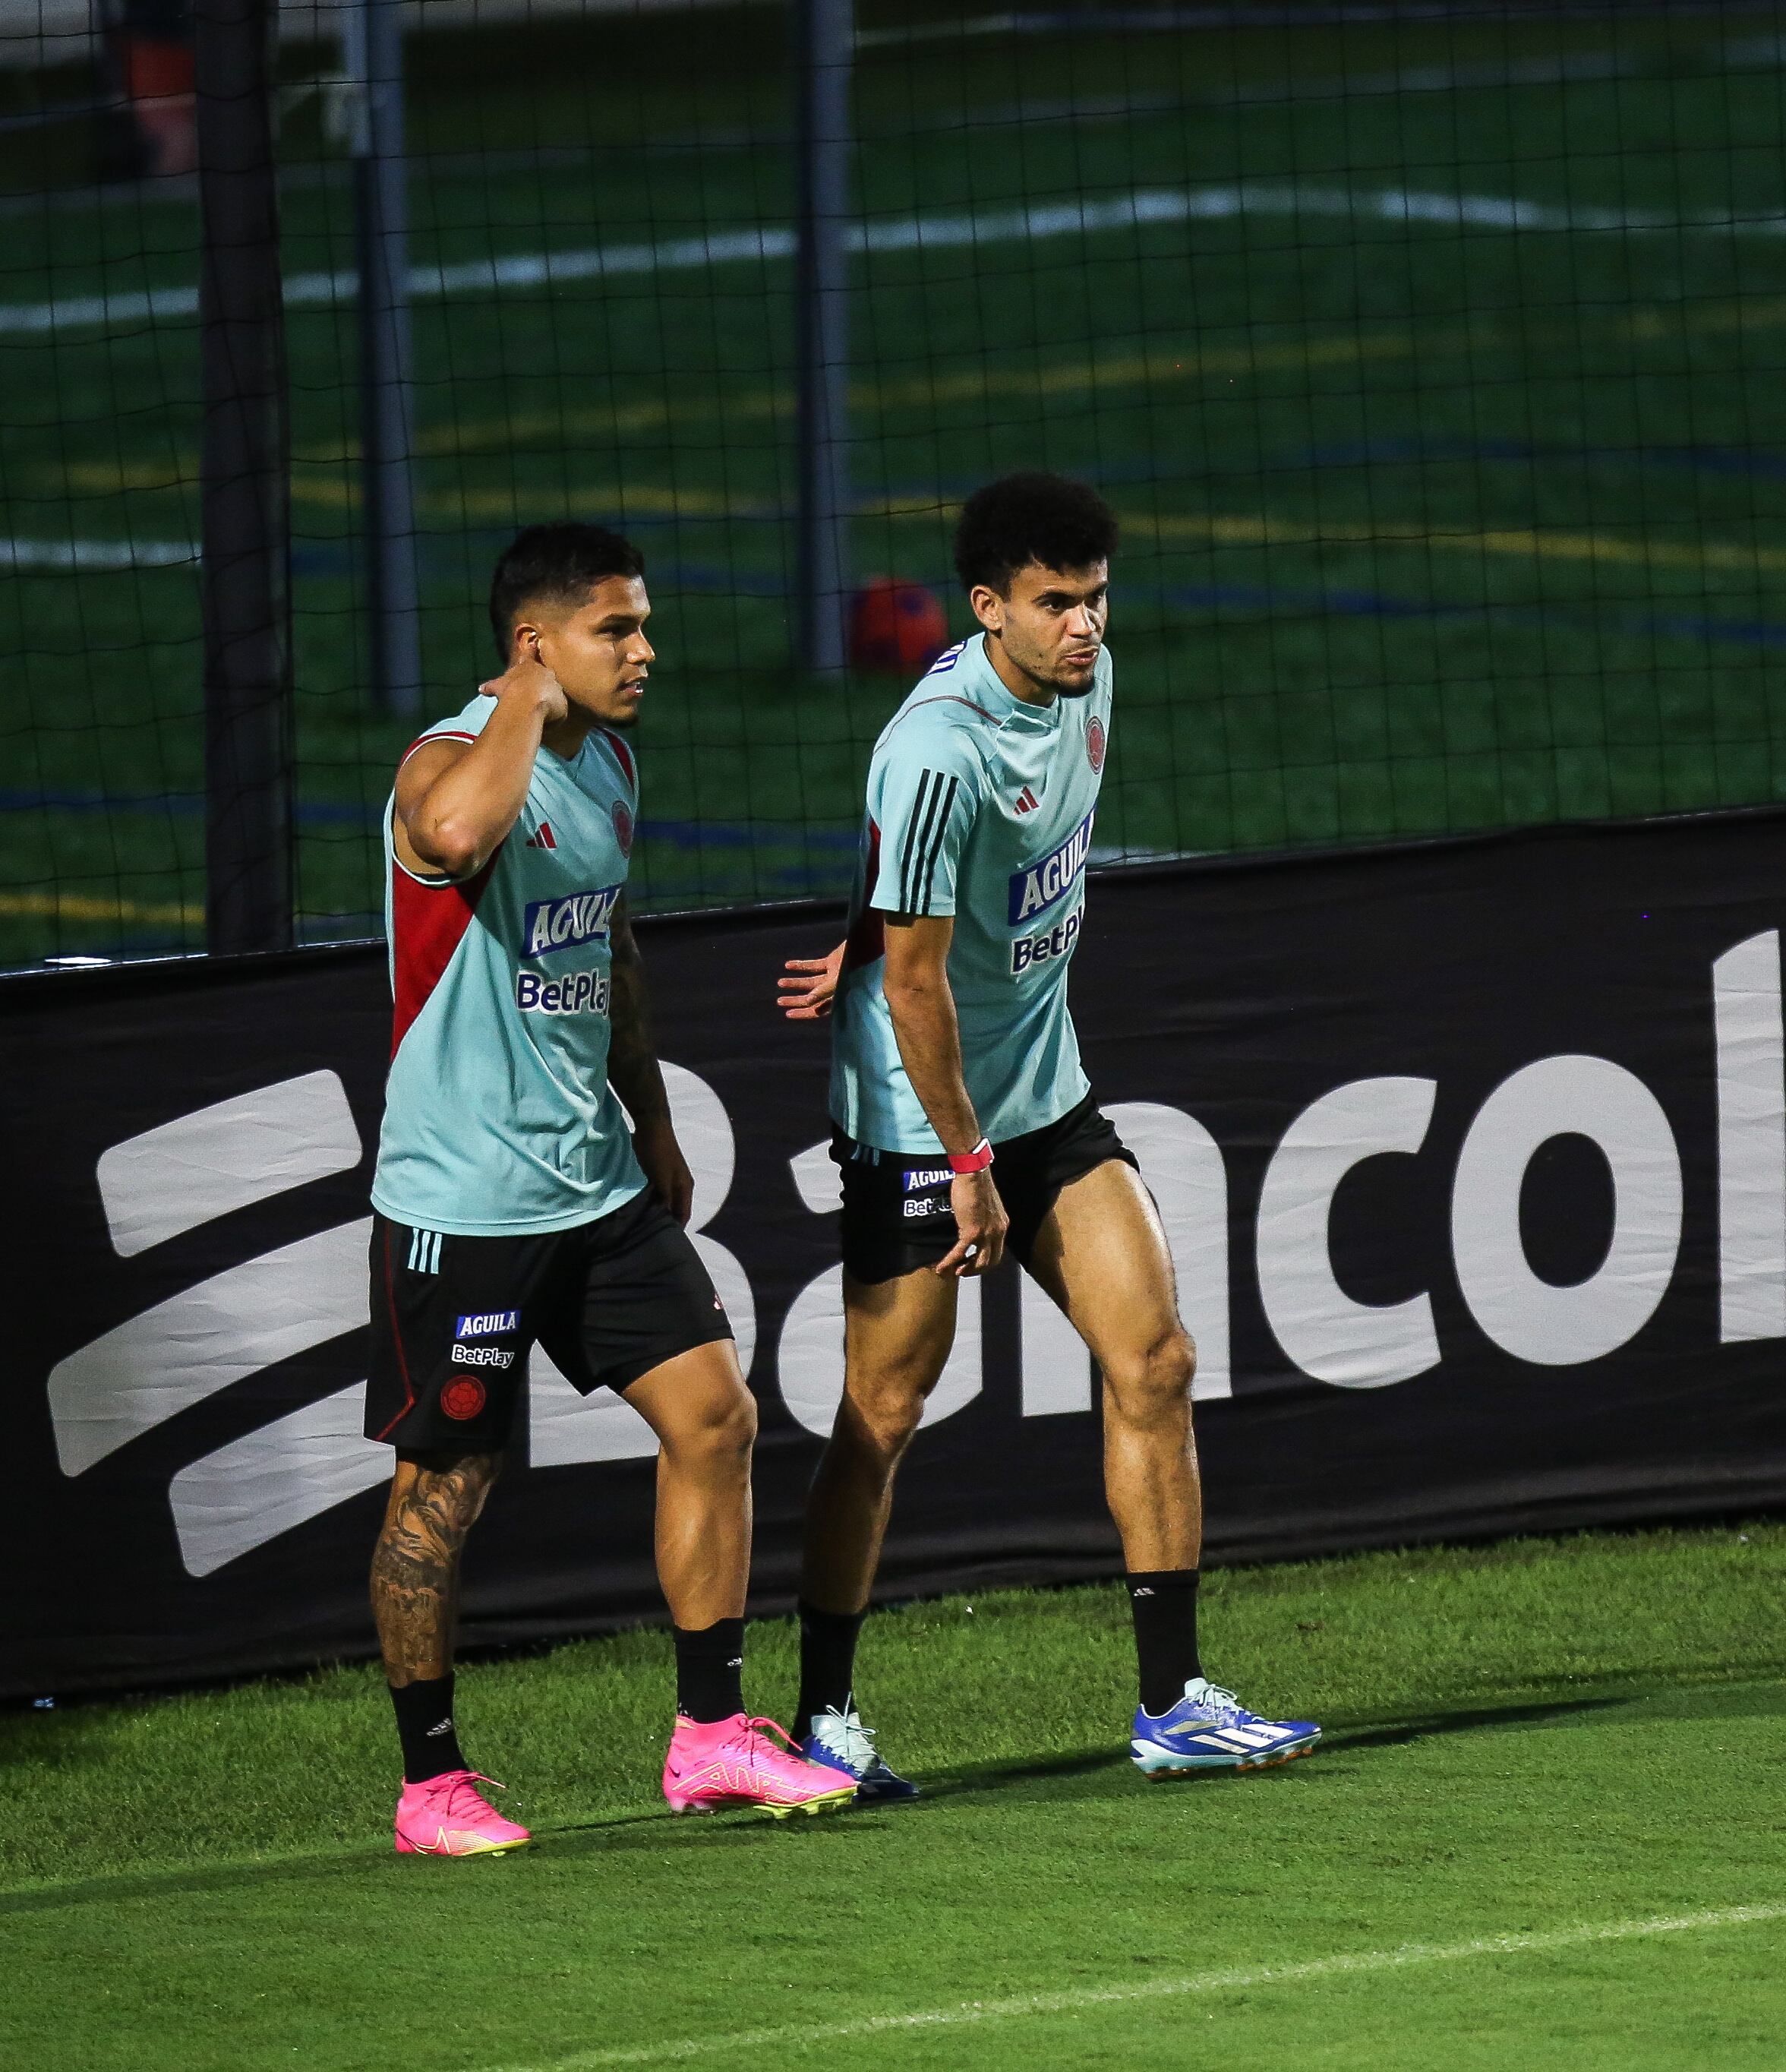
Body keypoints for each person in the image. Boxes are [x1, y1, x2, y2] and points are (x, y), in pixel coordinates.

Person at [774, 472, 1316, 1794]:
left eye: (1097, 600)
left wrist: (857, 935)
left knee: (1157, 1360)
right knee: (884, 1411)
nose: (1085, 627)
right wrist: (966, 1162)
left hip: (1044, 1090)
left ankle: (1172, 1702)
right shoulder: (935, 747)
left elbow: (919, 888)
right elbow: (917, 987)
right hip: (922, 1117)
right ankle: (821, 1717)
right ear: (988, 608)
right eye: (1055, 603)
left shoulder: (1089, 682)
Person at [368, 523, 857, 1856]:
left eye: (644, 626)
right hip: (466, 1201)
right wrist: (523, 704)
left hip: (596, 1184)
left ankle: (710, 1736)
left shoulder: (611, 763)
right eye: (615, 630)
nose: (646, 652)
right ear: (537, 643)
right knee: (443, 1492)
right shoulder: (442, 762)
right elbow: (454, 836)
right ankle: (430, 1788)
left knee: (716, 1416)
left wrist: (649, 1117)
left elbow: (613, 949)